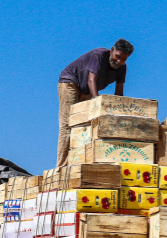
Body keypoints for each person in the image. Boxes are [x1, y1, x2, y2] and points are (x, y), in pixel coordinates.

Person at [57, 39, 134, 167]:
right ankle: (61, 168)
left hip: (87, 90)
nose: (119, 61)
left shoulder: (122, 68)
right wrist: (98, 104)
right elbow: (91, 80)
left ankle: (78, 164)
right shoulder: (99, 55)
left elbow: (119, 94)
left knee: (85, 126)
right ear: (111, 51)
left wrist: (118, 115)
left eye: (123, 59)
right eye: (117, 57)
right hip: (70, 83)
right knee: (68, 125)